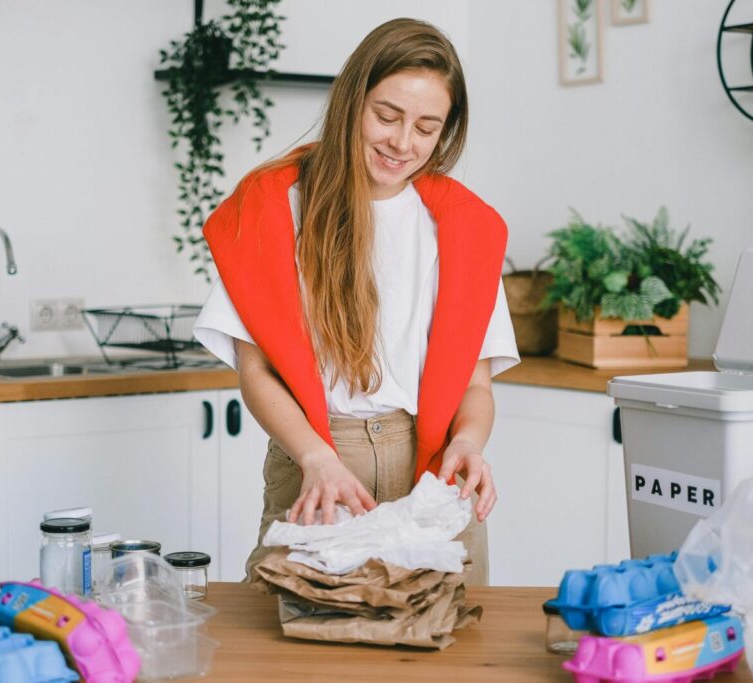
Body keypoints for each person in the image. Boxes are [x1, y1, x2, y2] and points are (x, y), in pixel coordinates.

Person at [193, 17, 519, 586]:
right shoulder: (274, 207)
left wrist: (467, 442)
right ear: (352, 102)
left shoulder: (467, 228)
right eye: (387, 116)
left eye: (426, 127)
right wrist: (315, 458)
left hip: (432, 470)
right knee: (296, 654)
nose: (402, 142)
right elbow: (257, 370)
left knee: (444, 649)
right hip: (317, 458)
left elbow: (476, 382)